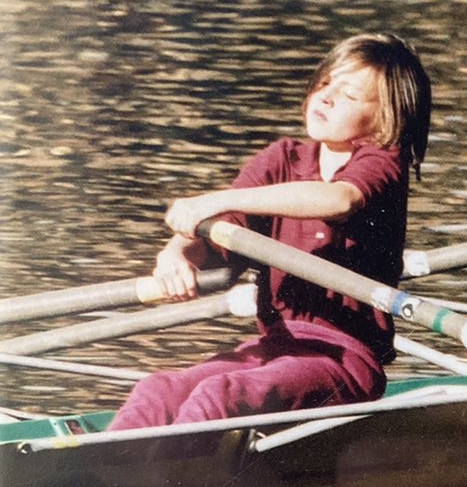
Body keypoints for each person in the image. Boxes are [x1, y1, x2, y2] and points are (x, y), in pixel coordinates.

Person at [110, 33, 431, 429]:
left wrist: (215, 201)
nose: (326, 97)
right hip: (278, 346)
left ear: (385, 117)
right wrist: (176, 254)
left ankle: (159, 484)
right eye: (325, 83)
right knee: (157, 390)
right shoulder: (281, 159)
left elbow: (338, 200)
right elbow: (218, 231)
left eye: (348, 95)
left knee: (218, 397)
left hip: (346, 362)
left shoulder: (384, 162)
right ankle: (94, 483)